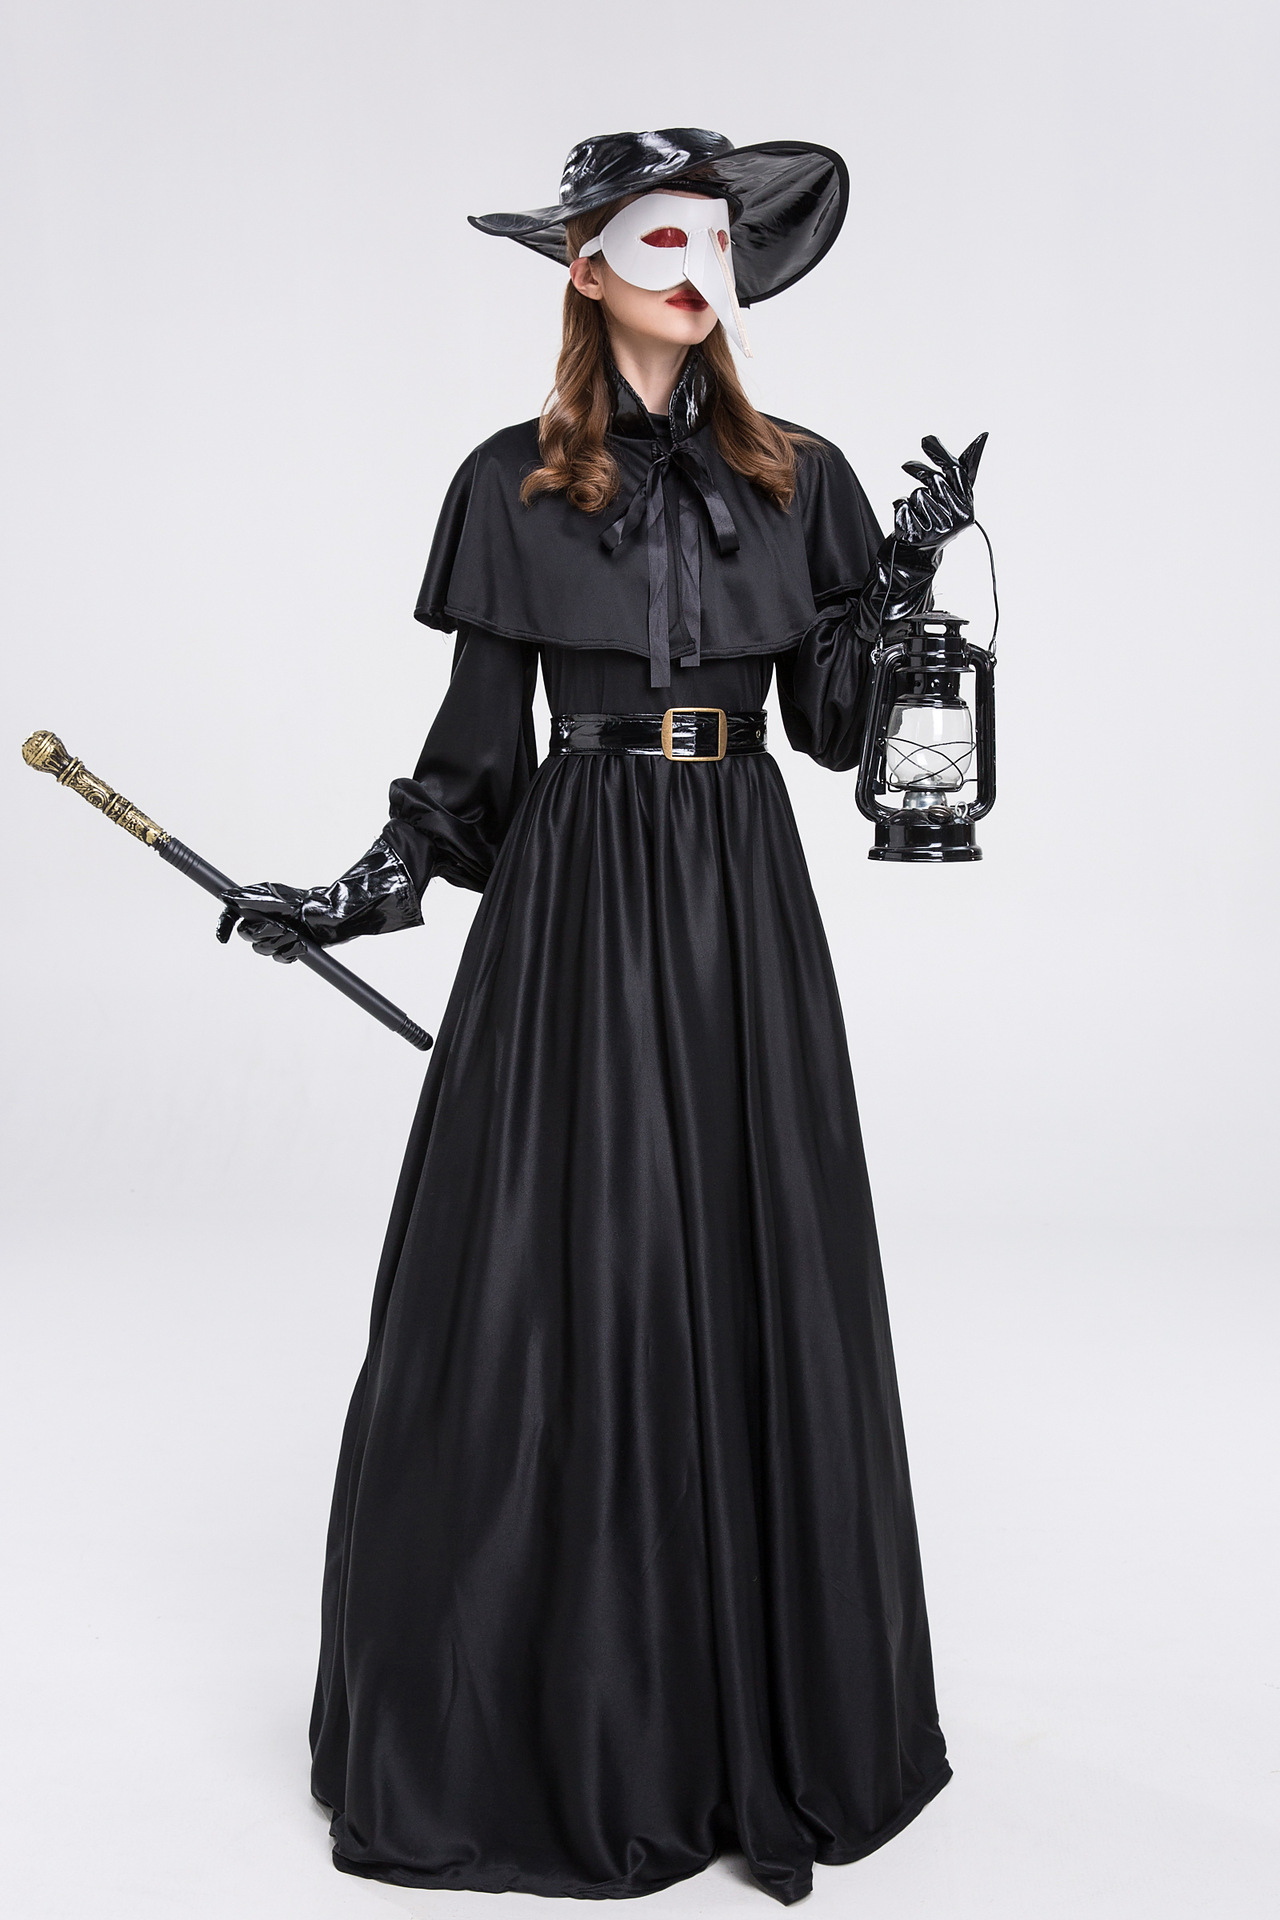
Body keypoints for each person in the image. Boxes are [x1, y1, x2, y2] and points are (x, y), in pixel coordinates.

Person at [218, 127, 981, 1905]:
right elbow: (475, 756)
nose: (700, 272)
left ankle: (755, 1719)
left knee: (750, 1246)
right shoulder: (509, 483)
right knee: (556, 1271)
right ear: (585, 270)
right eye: (661, 242)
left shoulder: (801, 475)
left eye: (718, 244)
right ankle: (561, 1724)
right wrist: (357, 890)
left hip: (741, 888)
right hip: (578, 889)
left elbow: (840, 736)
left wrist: (903, 590)